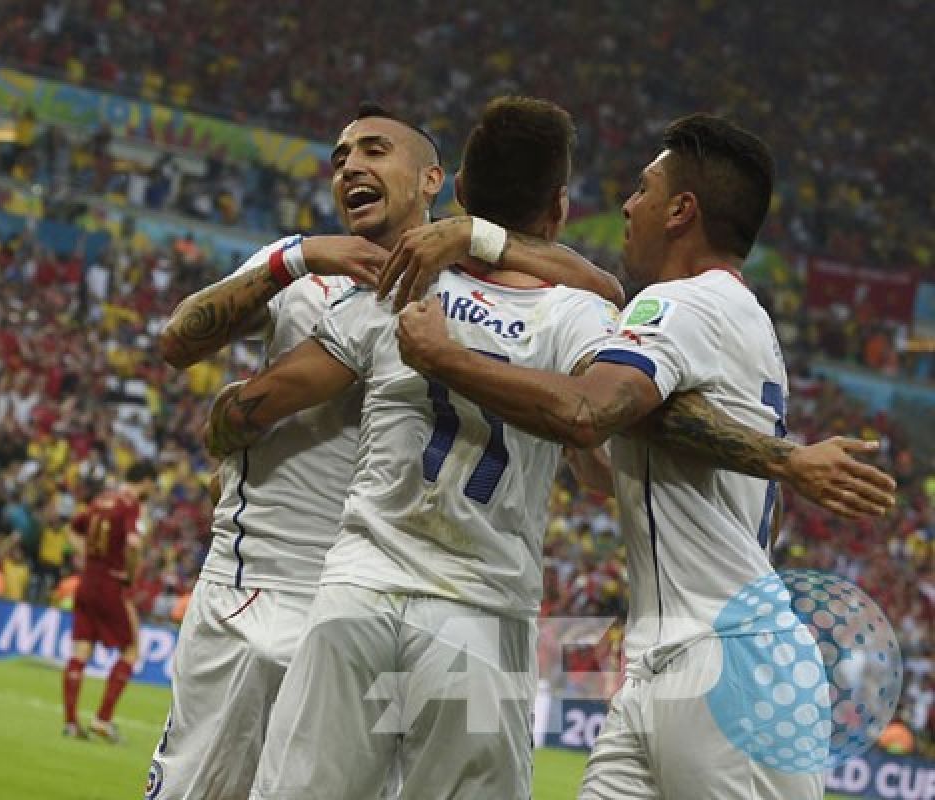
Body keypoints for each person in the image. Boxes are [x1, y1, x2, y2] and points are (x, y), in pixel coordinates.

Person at [392, 113, 897, 799]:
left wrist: (443, 356)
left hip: (730, 665)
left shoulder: (684, 306)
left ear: (682, 210)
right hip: (669, 662)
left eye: (643, 189)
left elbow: (584, 409)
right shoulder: (720, 313)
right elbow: (604, 450)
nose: (628, 206)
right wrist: (477, 237)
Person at [147, 102, 619, 800]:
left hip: (357, 595)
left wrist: (471, 242)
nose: (351, 167)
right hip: (271, 587)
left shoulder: (419, 292)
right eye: (340, 157)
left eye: (373, 151)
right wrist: (299, 254)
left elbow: (232, 414)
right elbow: (177, 345)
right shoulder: (303, 274)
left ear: (439, 181)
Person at [61, 463, 156, 743]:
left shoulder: (101, 500)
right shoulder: (130, 505)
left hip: (86, 581)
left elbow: (73, 530)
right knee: (131, 649)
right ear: (146, 481)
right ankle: (103, 719)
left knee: (81, 650)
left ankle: (70, 723)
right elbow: (134, 544)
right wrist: (129, 573)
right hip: (111, 584)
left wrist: (88, 558)